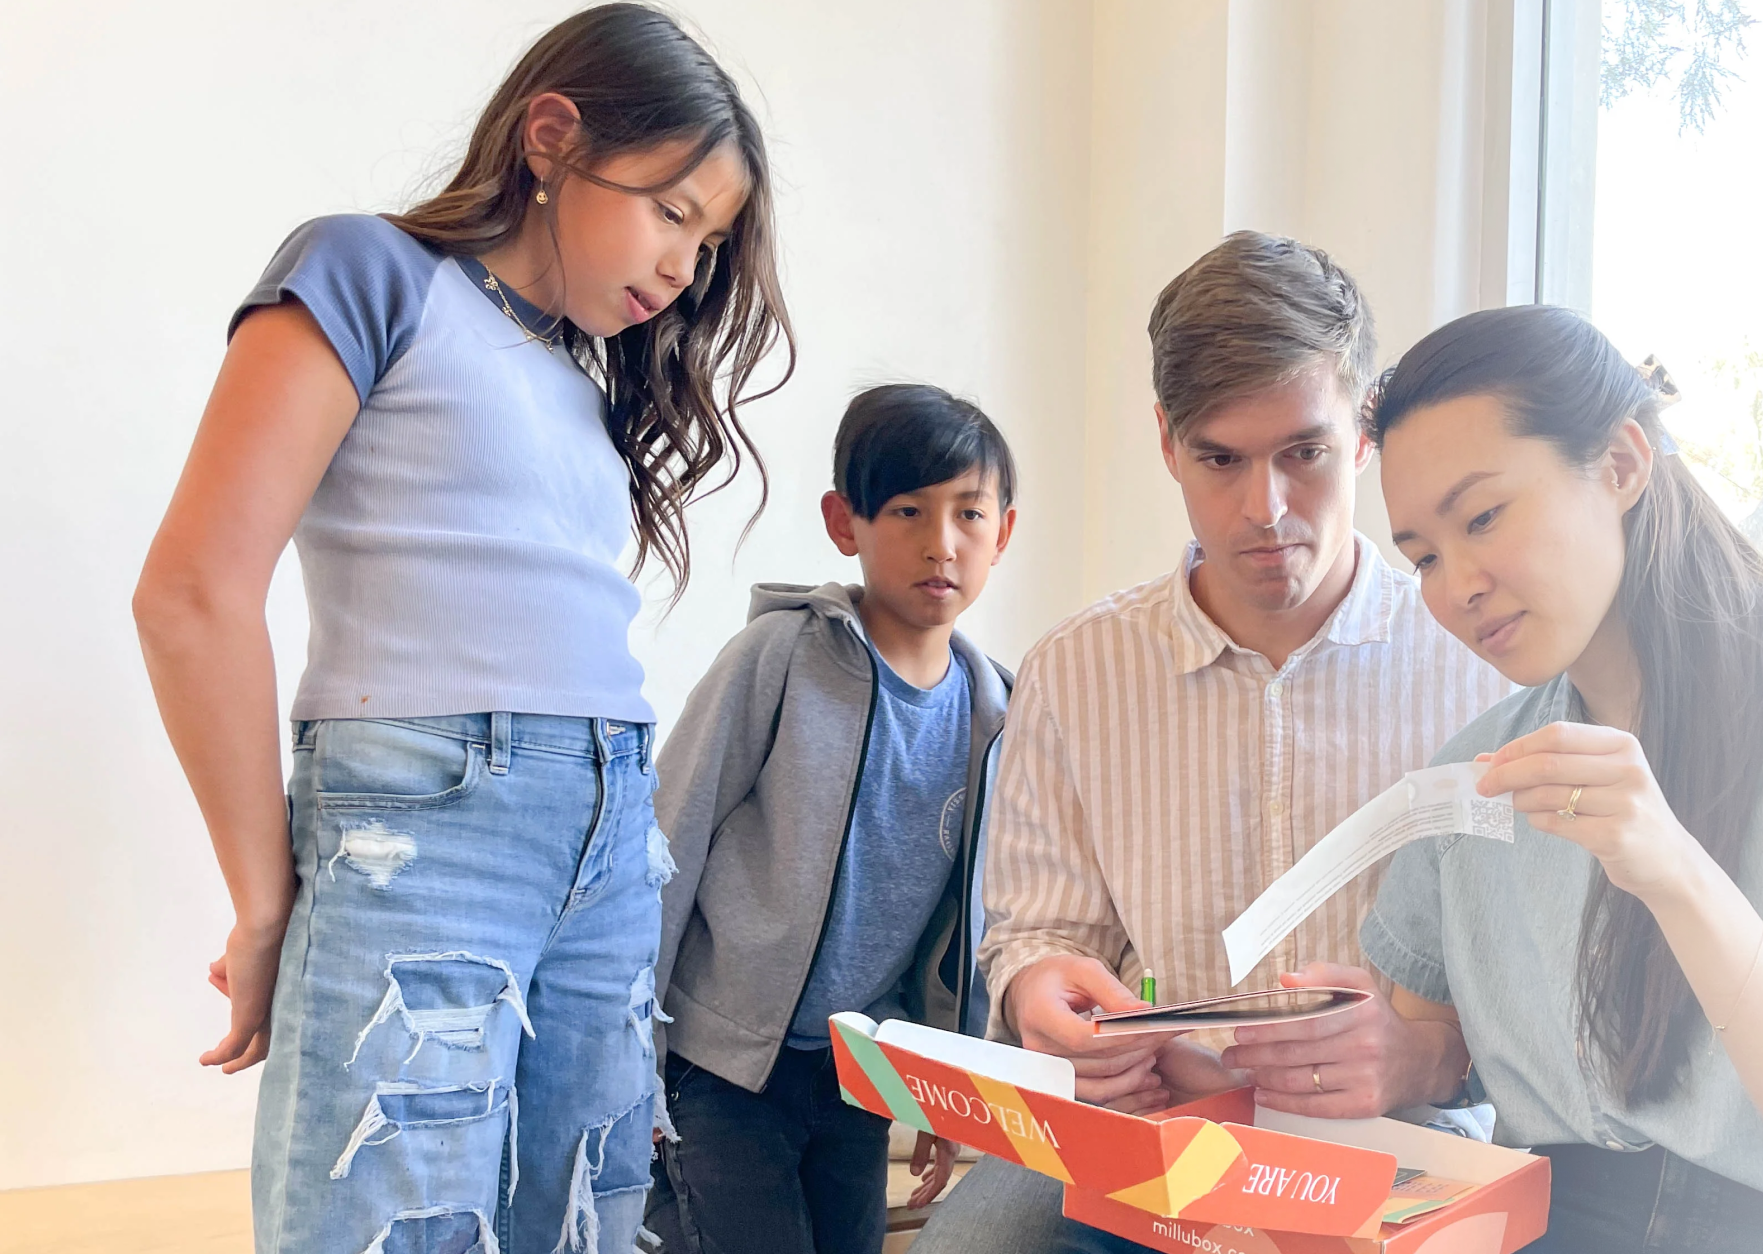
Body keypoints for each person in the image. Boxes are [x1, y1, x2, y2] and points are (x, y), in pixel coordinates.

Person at [130, 7, 790, 1251]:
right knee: (394, 1223)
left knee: (588, 1222)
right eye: (671, 211)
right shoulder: (368, 273)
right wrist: (265, 899)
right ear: (552, 139)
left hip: (607, 842)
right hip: (429, 827)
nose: (685, 269)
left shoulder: (576, 375)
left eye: (706, 242)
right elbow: (193, 595)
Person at [1229, 304, 1763, 1253]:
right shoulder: (1475, 777)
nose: (1455, 586)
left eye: (1483, 517)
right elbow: (1431, 1067)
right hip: (1553, 1220)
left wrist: (1672, 868)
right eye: (1421, 557)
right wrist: (1362, 1056)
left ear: (1621, 463)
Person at [910, 233, 1506, 1254]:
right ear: (1165, 442)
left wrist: (1431, 1056)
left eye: (1303, 454)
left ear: (1363, 432)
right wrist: (1040, 997)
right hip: (1147, 1139)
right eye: (1219, 460)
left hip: (1404, 1143)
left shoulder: (1479, 663)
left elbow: (1548, 979)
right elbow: (1037, 937)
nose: (1264, 510)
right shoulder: (1078, 671)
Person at [640, 385, 1019, 1254]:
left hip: (860, 1078)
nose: (941, 543)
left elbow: (970, 922)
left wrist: (943, 1082)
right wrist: (634, 1055)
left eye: (969, 513)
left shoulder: (999, 716)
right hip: (722, 1065)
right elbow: (666, 841)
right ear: (844, 521)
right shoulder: (776, 659)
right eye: (907, 511)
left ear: (1002, 533)